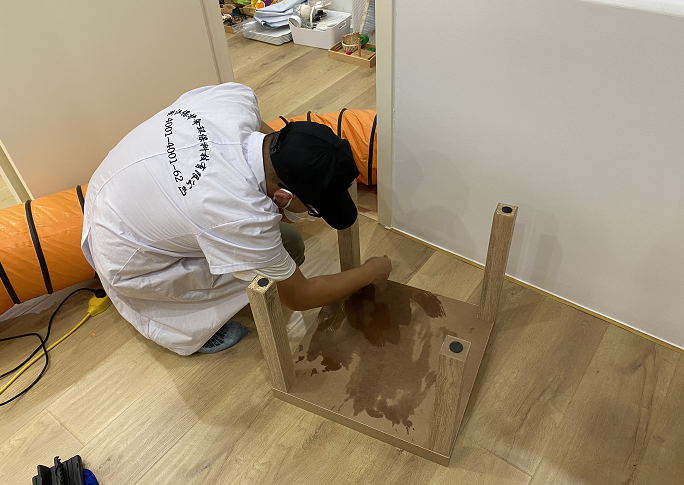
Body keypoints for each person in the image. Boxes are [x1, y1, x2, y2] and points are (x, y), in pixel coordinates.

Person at [81, 83, 392, 356]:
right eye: (312, 208)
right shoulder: (236, 214)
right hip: (125, 253)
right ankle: (191, 329)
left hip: (116, 187)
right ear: (284, 196)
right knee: (287, 250)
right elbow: (300, 296)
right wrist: (368, 272)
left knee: (281, 244)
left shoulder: (234, 100)